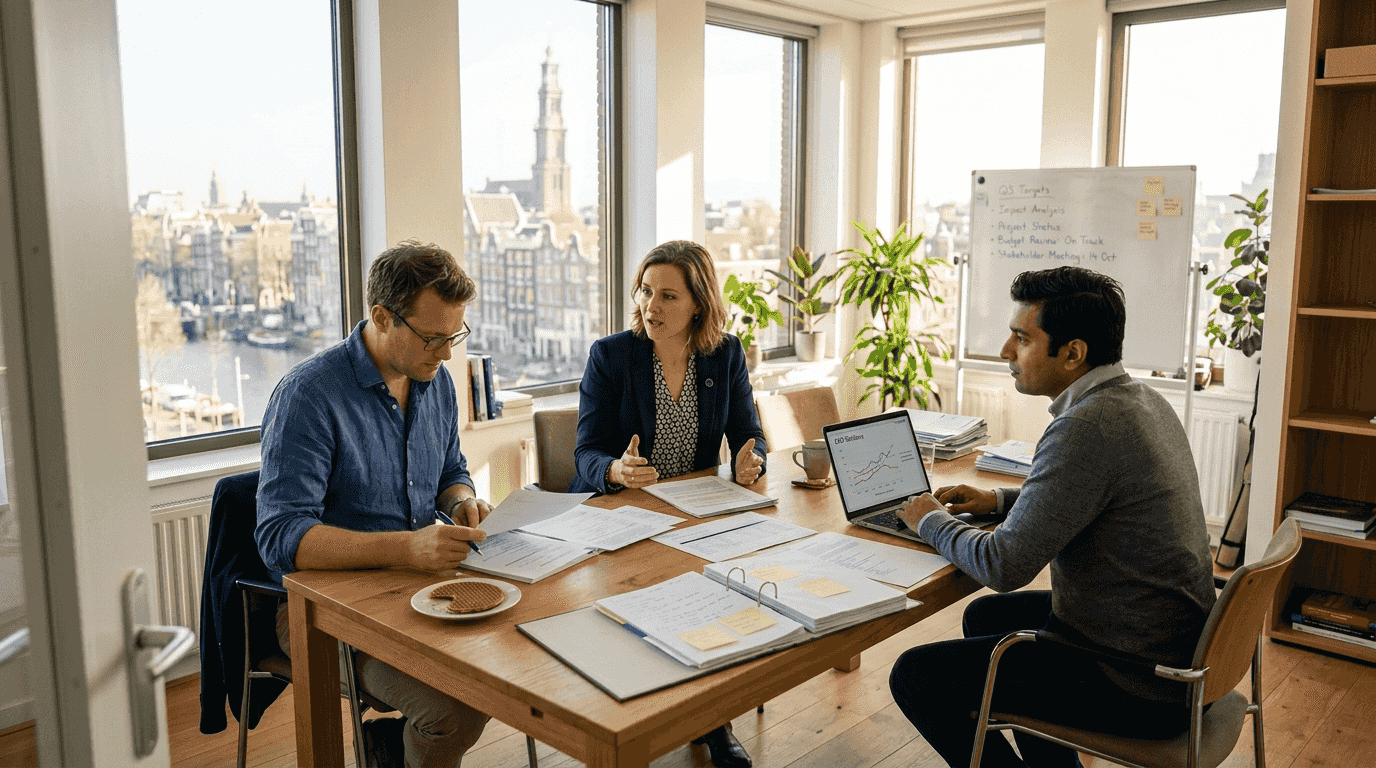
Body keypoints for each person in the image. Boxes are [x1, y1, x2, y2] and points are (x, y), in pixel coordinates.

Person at [888, 266, 1217, 768]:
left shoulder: (1084, 427)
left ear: (1072, 353)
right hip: (1171, 649)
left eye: (1021, 339)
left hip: (1136, 681)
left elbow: (1003, 566)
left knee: (915, 675)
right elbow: (1098, 502)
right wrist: (999, 502)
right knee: (983, 616)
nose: (1005, 352)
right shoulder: (1140, 400)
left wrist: (928, 518)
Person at [256, 239, 492, 768]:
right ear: (382, 317)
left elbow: (450, 470)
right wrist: (407, 549)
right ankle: (395, 752)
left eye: (455, 335)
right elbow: (280, 537)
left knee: (506, 668)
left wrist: (461, 504)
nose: (448, 353)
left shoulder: (435, 381)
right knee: (453, 708)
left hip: (416, 592)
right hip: (323, 615)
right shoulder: (309, 396)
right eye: (434, 338)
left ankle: (391, 750)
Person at [571, 239, 767, 768]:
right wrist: (615, 469)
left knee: (722, 596)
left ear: (698, 304)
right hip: (622, 518)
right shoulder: (611, 355)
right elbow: (584, 453)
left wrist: (754, 461)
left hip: (696, 512)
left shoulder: (724, 353)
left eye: (668, 296)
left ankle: (712, 721)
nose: (650, 306)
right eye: (644, 290)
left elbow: (750, 433)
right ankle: (636, 719)